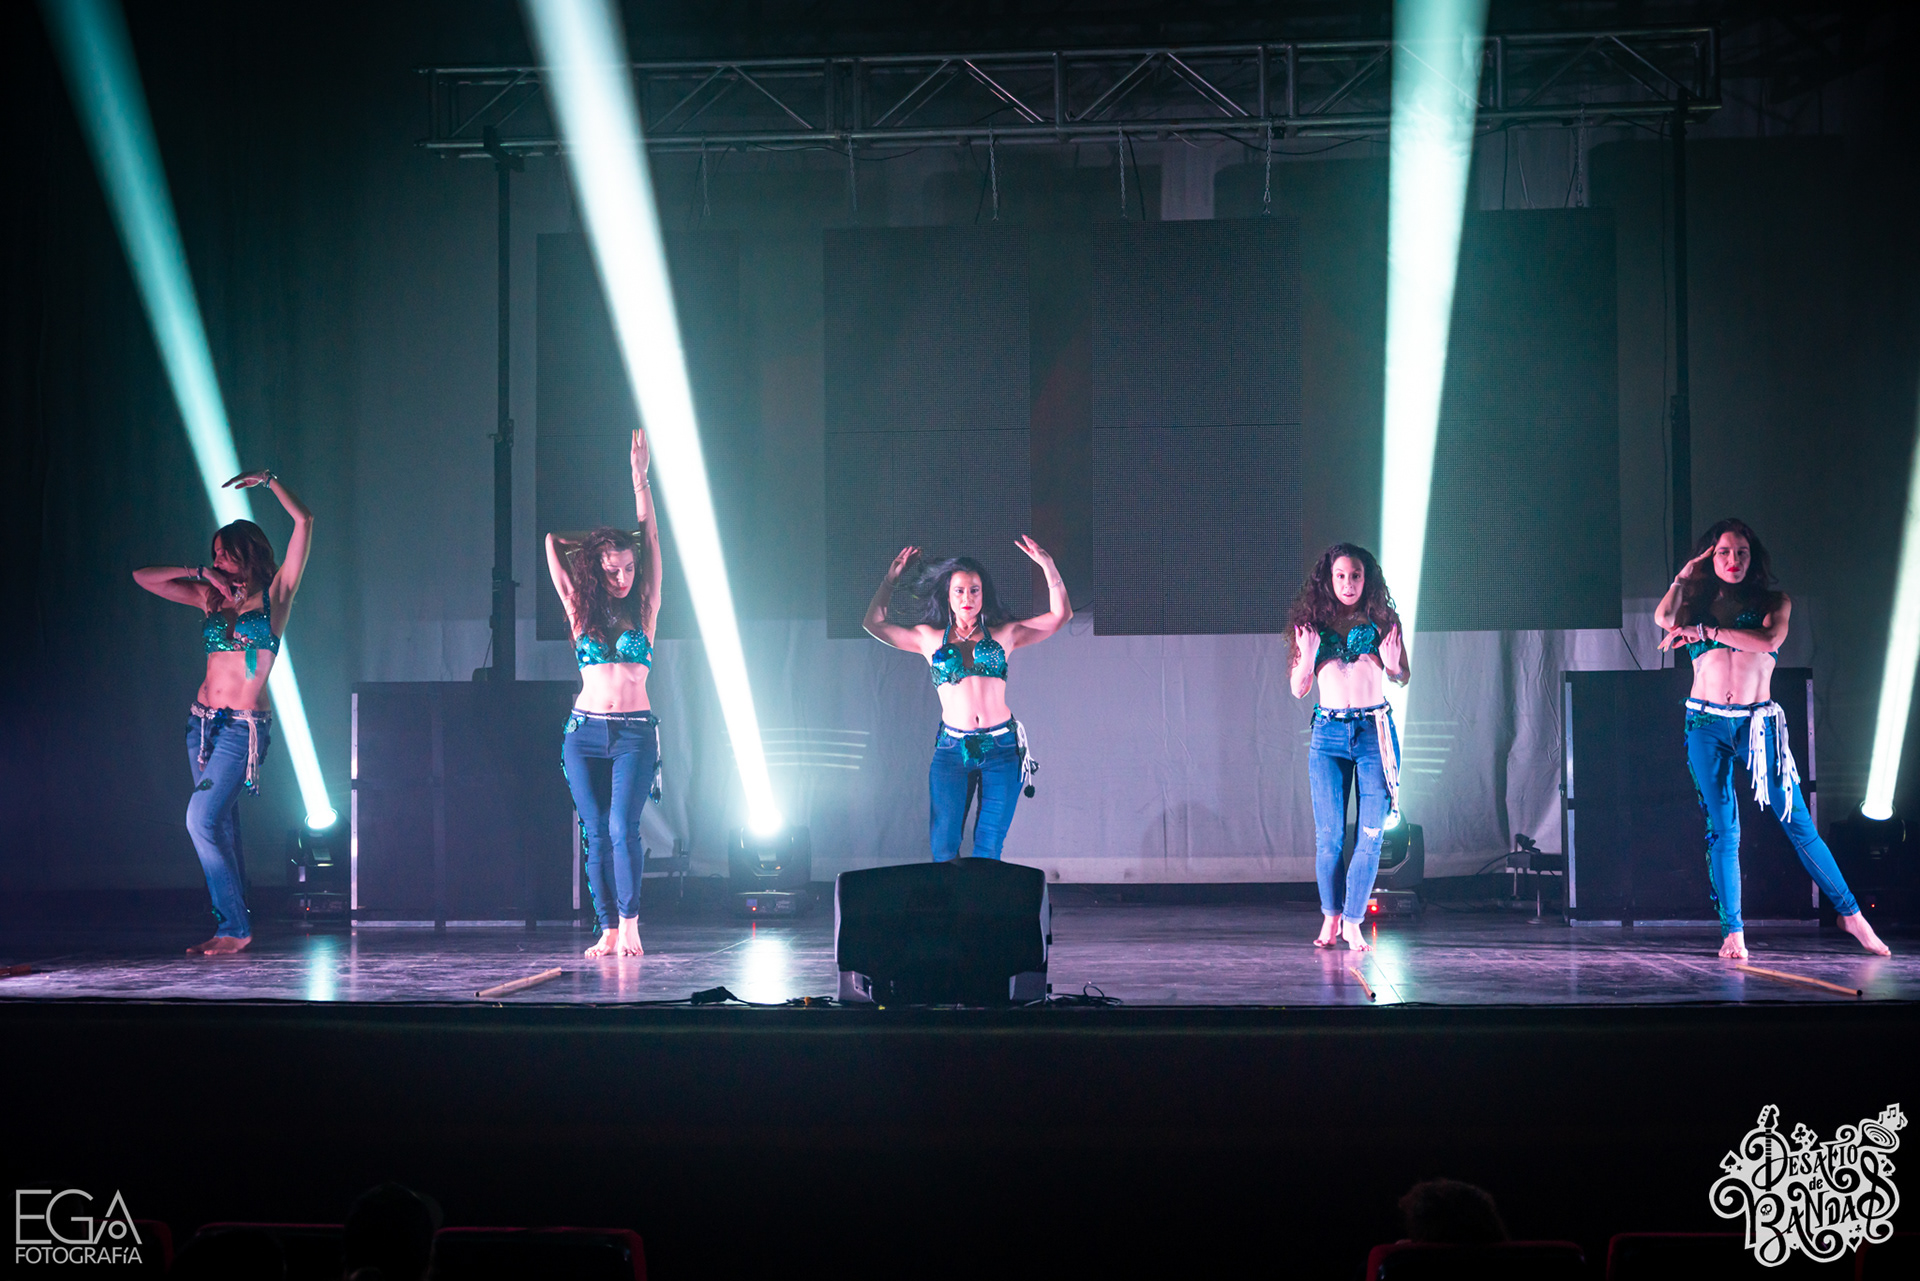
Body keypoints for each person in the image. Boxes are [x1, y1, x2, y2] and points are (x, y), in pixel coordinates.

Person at [1656, 519, 1890, 959]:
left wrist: (1706, 633)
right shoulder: (1696, 605)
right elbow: (1664, 620)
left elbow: (1768, 639)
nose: (1733, 560)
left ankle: (1851, 914)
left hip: (1758, 725)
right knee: (1723, 830)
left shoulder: (1773, 602)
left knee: (1798, 823)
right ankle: (1733, 933)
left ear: (1753, 558)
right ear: (1710, 557)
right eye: (1723, 552)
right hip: (1705, 724)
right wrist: (1683, 577)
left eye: (1741, 552)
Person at [134, 469, 313, 956]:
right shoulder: (210, 598)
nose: (217, 561)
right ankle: (231, 925)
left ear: (246, 554)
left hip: (242, 729)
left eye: (223, 554)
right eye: (214, 554)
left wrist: (270, 481)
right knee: (222, 828)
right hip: (202, 724)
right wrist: (200, 573)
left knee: (200, 820)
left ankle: (235, 925)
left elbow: (304, 521)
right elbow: (142, 578)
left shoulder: (275, 595)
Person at [864, 539, 1071, 862]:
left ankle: (984, 897)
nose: (967, 598)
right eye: (959, 591)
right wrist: (891, 579)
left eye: (974, 590)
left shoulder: (1005, 633)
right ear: (948, 595)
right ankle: (951, 898)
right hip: (952, 751)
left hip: (1002, 749)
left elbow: (1060, 615)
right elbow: (874, 624)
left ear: (983, 594)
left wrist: (1048, 565)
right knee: (944, 847)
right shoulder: (928, 637)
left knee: (989, 848)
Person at [547, 428, 662, 959]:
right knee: (593, 830)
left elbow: (651, 540)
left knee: (622, 827)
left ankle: (631, 923)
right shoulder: (579, 608)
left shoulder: (647, 605)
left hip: (634, 733)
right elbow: (552, 542)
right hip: (583, 732)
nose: (623, 577)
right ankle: (608, 927)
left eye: (628, 568)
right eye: (612, 569)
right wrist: (595, 547)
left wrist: (639, 480)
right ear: (596, 568)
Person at [1288, 543, 1409, 952]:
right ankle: (1331, 917)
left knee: (1371, 833)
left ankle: (1354, 921)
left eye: (1355, 575)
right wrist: (1307, 657)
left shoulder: (1383, 620)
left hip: (1374, 732)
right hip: (1329, 735)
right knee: (1330, 838)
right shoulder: (1311, 625)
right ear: (1328, 578)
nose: (1348, 583)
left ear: (1365, 577)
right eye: (1340, 575)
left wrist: (1393, 665)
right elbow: (1298, 688)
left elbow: (1402, 675)